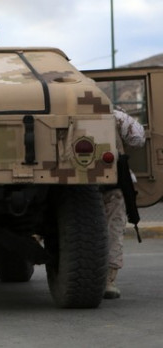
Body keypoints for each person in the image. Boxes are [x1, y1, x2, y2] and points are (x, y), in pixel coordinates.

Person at [103, 106, 146, 299]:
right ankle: (108, 281)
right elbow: (138, 138)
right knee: (113, 229)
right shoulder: (114, 115)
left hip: (72, 187)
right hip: (113, 181)